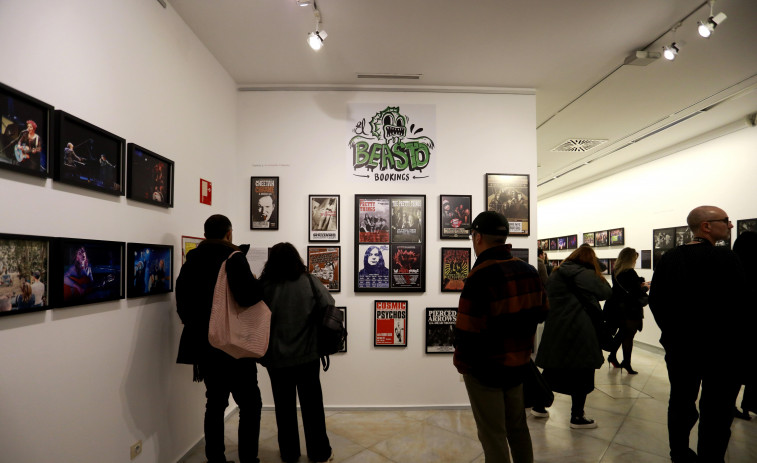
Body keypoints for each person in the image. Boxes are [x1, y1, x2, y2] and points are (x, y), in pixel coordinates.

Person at [649, 205, 748, 463]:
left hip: (681, 349)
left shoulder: (670, 258)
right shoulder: (726, 258)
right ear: (706, 226)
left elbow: (656, 301)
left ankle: (679, 454)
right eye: (725, 221)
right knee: (717, 409)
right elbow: (740, 305)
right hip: (721, 351)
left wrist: (672, 335)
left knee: (681, 402)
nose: (730, 225)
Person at [454, 211, 549, 462]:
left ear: (477, 237)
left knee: (493, 433)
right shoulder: (529, 271)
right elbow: (543, 312)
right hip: (517, 365)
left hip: (485, 369)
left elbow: (466, 330)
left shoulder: (480, 276)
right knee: (518, 428)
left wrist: (462, 365)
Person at [175, 214, 265, 463]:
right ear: (229, 234)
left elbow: (181, 302)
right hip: (233, 345)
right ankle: (248, 458)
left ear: (205, 234)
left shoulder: (192, 260)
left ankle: (215, 459)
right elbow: (247, 297)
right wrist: (259, 284)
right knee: (250, 404)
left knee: (214, 403)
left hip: (205, 345)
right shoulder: (234, 258)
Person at [259, 243, 334, 463]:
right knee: (313, 408)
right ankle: (319, 452)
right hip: (307, 356)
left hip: (277, 358)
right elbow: (329, 304)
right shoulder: (310, 281)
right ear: (296, 259)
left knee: (284, 409)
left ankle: (289, 454)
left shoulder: (264, 286)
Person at [535, 245, 612, 429]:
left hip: (556, 328)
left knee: (553, 370)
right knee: (583, 373)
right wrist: (596, 269)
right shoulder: (583, 274)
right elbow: (606, 291)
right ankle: (577, 416)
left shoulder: (557, 272)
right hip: (580, 330)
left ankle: (538, 405)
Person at [604, 247, 649, 374]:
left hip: (617, 308)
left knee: (623, 334)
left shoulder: (616, 271)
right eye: (635, 258)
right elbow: (635, 292)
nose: (635, 261)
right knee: (628, 335)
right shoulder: (630, 272)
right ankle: (626, 362)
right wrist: (646, 288)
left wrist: (640, 284)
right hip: (630, 309)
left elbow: (626, 288)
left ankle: (614, 356)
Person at [733, 231, 757, 420]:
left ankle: (734, 405)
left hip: (733, 328)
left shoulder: (730, 265)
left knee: (732, 372)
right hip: (745, 327)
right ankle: (749, 403)